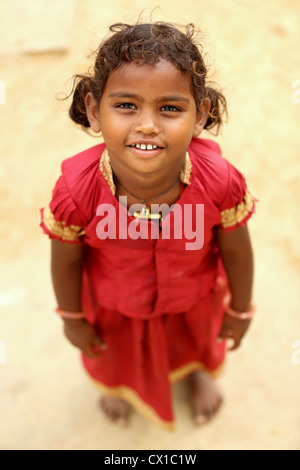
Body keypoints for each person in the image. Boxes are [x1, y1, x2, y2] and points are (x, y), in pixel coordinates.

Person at [40, 21, 256, 431]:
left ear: (200, 116)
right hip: (115, 308)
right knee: (114, 357)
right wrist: (72, 316)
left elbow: (237, 249)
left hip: (192, 300)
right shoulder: (75, 192)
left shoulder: (220, 181)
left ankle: (194, 373)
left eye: (170, 108)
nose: (148, 125)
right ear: (93, 110)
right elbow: (66, 261)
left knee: (193, 345)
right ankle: (117, 387)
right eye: (126, 105)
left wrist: (241, 309)